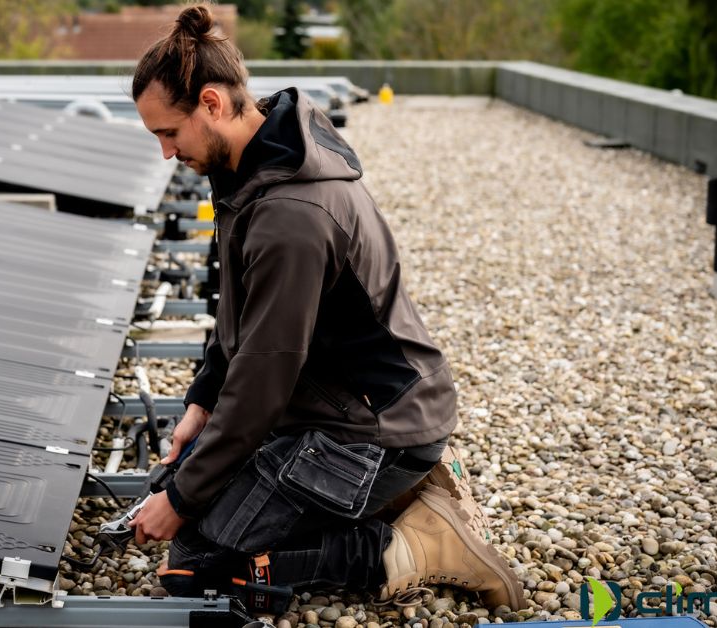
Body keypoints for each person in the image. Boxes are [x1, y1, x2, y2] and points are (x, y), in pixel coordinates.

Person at [127, 3, 523, 613]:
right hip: (334, 405)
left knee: (198, 568)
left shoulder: (292, 217)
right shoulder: (254, 166)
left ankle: (422, 543)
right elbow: (239, 313)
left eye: (168, 133)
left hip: (374, 430)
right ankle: (393, 496)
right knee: (200, 523)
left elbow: (263, 377)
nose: (164, 152)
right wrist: (203, 401)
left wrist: (180, 497)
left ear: (211, 103)